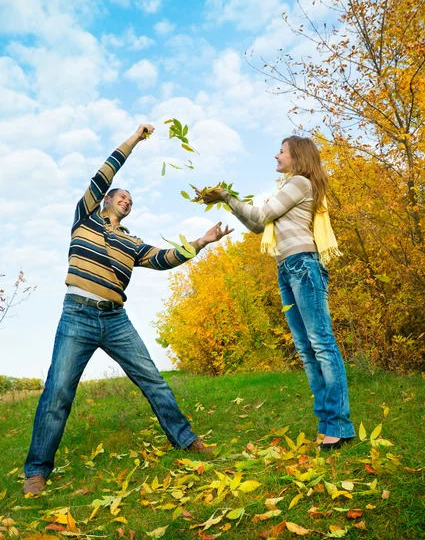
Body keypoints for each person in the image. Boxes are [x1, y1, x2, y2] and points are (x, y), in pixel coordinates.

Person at [24, 124, 233, 495]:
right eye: (123, 196)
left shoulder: (132, 242)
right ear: (105, 199)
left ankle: (187, 441)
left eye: (132, 200)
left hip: (115, 320)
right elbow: (105, 170)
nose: (128, 200)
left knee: (153, 380)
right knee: (57, 391)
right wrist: (136, 139)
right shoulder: (85, 215)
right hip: (77, 314)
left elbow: (163, 258)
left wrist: (202, 241)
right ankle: (37, 471)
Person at [198, 135, 355, 450]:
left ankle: (340, 425)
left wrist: (226, 196)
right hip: (287, 267)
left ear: (296, 155)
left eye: (281, 151)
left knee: (322, 345)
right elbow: (258, 226)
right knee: (307, 351)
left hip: (302, 266)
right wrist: (227, 202)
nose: (275, 156)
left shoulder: (298, 183)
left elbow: (260, 216)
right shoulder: (288, 188)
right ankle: (327, 425)